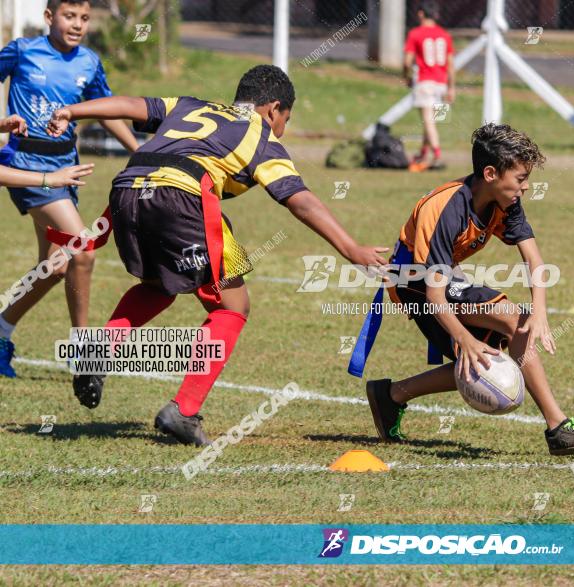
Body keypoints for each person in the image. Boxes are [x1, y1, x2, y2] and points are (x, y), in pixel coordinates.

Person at [47, 65, 388, 445]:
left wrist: (71, 112)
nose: (283, 130)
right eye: (285, 120)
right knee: (232, 306)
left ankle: (101, 349)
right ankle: (185, 410)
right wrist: (351, 248)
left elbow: (129, 103)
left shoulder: (188, 106)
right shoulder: (262, 137)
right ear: (273, 108)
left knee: (160, 285)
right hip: (180, 197)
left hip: (126, 190)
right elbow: (300, 201)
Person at [358, 123, 574, 456]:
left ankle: (391, 395)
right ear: (491, 173)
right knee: (507, 325)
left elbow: (534, 259)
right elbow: (434, 294)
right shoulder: (446, 208)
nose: (525, 187)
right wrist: (465, 338)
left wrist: (540, 312)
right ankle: (558, 429)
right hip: (414, 285)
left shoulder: (504, 199)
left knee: (489, 355)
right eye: (521, 179)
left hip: (444, 278)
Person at [0, 0, 138, 378]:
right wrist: (3, 123)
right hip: (26, 168)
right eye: (69, 16)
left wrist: (139, 151)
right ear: (49, 17)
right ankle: (82, 353)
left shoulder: (89, 62)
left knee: (54, 266)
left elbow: (104, 109)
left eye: (84, 18)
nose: (77, 25)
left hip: (66, 170)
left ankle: (1, 331)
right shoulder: (23, 51)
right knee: (82, 251)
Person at [404, 0, 455, 173]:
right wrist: (451, 87)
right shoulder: (445, 35)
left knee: (428, 119)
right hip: (440, 83)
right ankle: (423, 153)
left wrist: (407, 76)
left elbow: (407, 61)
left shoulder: (415, 34)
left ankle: (437, 154)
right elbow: (450, 64)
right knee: (430, 120)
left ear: (420, 14)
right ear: (436, 15)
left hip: (425, 81)